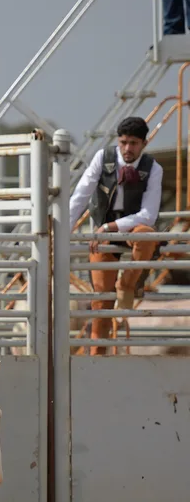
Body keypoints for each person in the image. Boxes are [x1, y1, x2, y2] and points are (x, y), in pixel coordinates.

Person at [69, 116, 162, 354]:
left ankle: (127, 284)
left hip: (128, 228)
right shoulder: (103, 158)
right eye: (123, 142)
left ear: (144, 143)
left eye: (133, 143)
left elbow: (149, 215)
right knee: (101, 302)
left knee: (147, 236)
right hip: (103, 231)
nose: (127, 148)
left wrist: (112, 227)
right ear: (118, 141)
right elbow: (81, 195)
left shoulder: (153, 168)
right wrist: (61, 230)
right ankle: (97, 357)